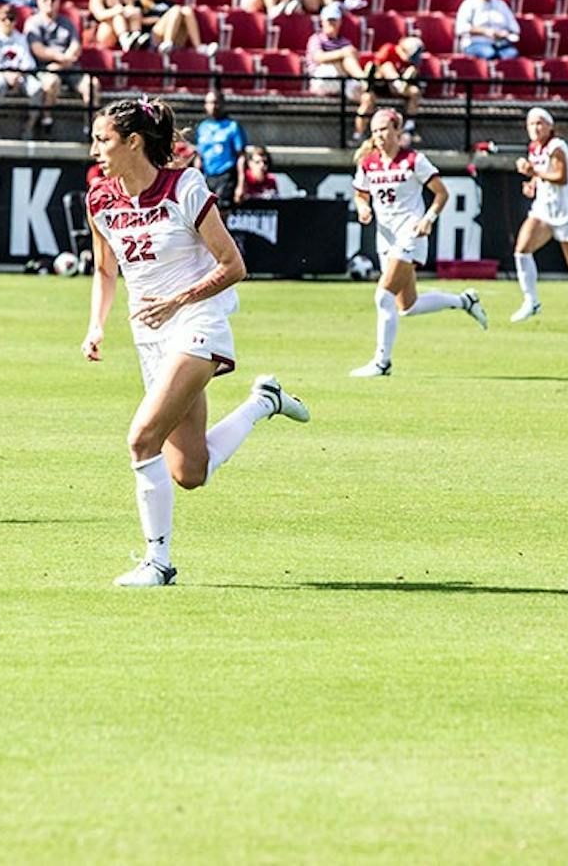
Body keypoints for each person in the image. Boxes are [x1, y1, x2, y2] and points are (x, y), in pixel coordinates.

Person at [81, 96, 309, 587]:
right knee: (190, 471)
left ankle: (158, 563)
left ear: (133, 142)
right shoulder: (99, 199)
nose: (95, 149)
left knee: (141, 438)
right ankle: (262, 402)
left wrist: (176, 301)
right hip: (150, 334)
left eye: (103, 140)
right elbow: (105, 269)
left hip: (198, 319)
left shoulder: (183, 185)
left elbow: (234, 266)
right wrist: (96, 326)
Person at [350, 108, 489, 378]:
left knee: (383, 296)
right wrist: (362, 208)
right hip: (386, 237)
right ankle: (464, 301)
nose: (379, 135)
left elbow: (441, 193)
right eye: (375, 130)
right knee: (407, 306)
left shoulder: (414, 160)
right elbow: (360, 194)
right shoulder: (368, 162)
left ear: (398, 131)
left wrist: (429, 218)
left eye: (384, 129)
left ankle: (382, 362)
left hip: (411, 233)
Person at [509, 107, 568, 332]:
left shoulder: (557, 146)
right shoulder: (535, 148)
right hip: (543, 210)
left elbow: (561, 177)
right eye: (532, 124)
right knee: (522, 250)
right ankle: (531, 301)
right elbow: (541, 176)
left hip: (564, 213)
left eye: (540, 123)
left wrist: (534, 173)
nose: (535, 127)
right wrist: (532, 185)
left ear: (550, 126)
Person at [26, 0, 96, 136]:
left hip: (69, 67)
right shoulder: (33, 23)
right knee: (51, 82)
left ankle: (89, 127)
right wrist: (61, 58)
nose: (50, 2)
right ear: (38, 2)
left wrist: (64, 61)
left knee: (92, 84)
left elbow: (76, 45)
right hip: (45, 68)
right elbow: (38, 50)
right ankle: (47, 122)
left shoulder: (67, 22)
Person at [0, 4, 40, 137]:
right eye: (3, 19)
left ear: (16, 21)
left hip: (19, 75)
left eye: (11, 19)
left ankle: (29, 128)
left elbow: (29, 62)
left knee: (37, 88)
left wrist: (17, 74)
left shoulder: (20, 38)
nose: (7, 22)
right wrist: (6, 74)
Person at [134, 0, 218, 55]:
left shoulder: (167, 0)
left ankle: (198, 47)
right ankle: (167, 43)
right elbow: (137, 21)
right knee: (176, 9)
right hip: (152, 37)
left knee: (186, 10)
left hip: (176, 36)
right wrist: (157, 19)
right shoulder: (138, 1)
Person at [193, 90, 246, 208]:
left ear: (222, 104)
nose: (213, 106)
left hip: (226, 175)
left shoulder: (232, 126)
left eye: (215, 102)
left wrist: (241, 184)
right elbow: (199, 156)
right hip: (208, 176)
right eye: (209, 103)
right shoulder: (203, 127)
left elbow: (241, 156)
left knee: (222, 212)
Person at [357, 35, 424, 120]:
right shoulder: (389, 49)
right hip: (380, 84)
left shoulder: (412, 63)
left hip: (397, 88)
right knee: (387, 66)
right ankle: (358, 133)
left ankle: (409, 126)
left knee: (415, 92)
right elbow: (375, 66)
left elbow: (413, 76)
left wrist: (411, 73)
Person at [455, 0, 519, 60]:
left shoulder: (501, 4)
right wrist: (484, 31)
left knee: (511, 54)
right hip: (476, 43)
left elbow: (515, 28)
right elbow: (460, 28)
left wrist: (505, 33)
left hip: (500, 43)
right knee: (489, 54)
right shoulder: (468, 4)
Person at [306, 2, 366, 97]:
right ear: (322, 22)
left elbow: (354, 59)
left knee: (361, 93)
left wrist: (350, 53)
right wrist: (342, 53)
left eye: (334, 20)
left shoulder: (345, 42)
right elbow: (319, 57)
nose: (331, 24)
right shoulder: (316, 38)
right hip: (322, 77)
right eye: (329, 20)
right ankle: (364, 78)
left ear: (340, 22)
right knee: (342, 62)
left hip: (342, 78)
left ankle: (365, 85)